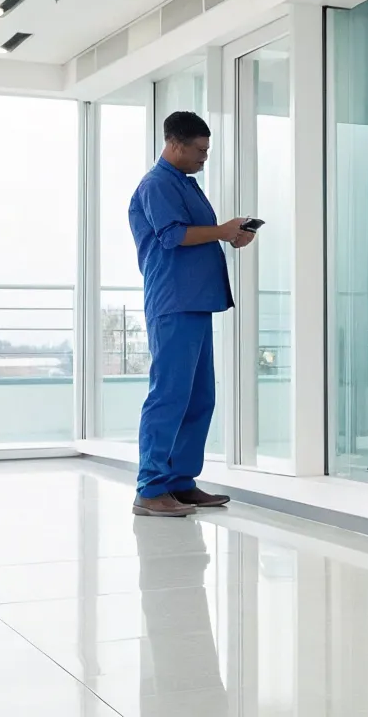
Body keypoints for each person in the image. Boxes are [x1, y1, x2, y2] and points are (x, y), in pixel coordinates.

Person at [128, 111, 255, 518]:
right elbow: (173, 236)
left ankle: (181, 483)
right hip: (173, 302)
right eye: (199, 151)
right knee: (169, 395)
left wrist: (233, 236)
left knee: (200, 397)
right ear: (175, 144)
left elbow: (200, 235)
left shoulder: (185, 185)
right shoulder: (156, 185)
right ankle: (150, 488)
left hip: (197, 301)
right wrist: (221, 230)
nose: (204, 158)